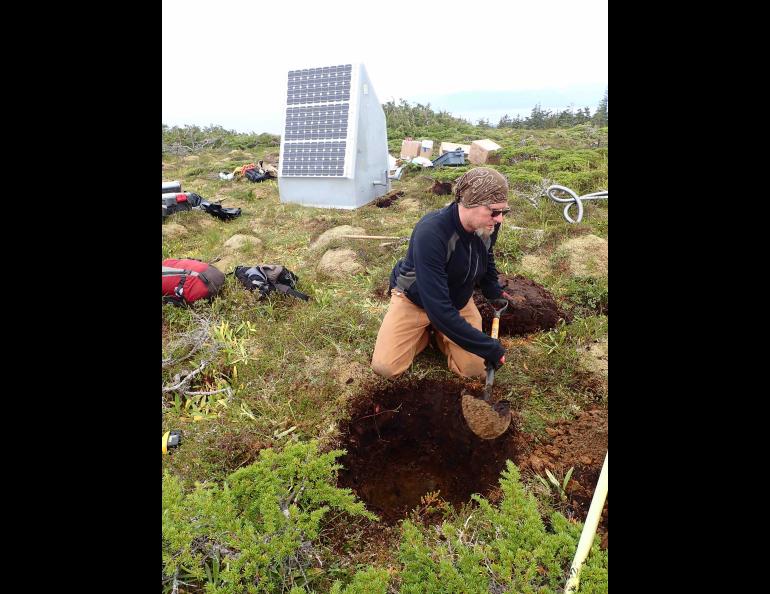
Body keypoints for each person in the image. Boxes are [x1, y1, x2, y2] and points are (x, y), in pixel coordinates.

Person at [371, 167, 513, 380]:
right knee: (386, 368)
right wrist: (488, 347)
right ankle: (428, 332)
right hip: (416, 300)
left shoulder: (488, 223)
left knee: (476, 371)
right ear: (469, 203)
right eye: (494, 211)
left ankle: (442, 334)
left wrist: (492, 288)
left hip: (458, 301)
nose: (500, 219)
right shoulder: (432, 232)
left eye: (503, 212)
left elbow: (486, 253)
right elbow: (437, 307)